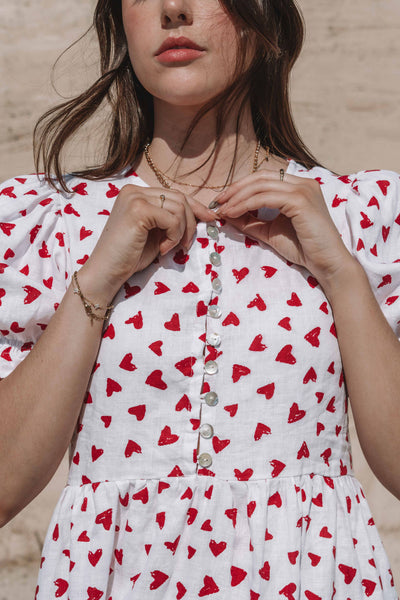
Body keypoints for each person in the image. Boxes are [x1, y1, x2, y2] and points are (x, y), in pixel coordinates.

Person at [0, 0, 399, 598]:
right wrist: (96, 280)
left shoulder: (360, 217)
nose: (173, 9)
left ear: (265, 18)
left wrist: (341, 273)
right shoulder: (52, 224)